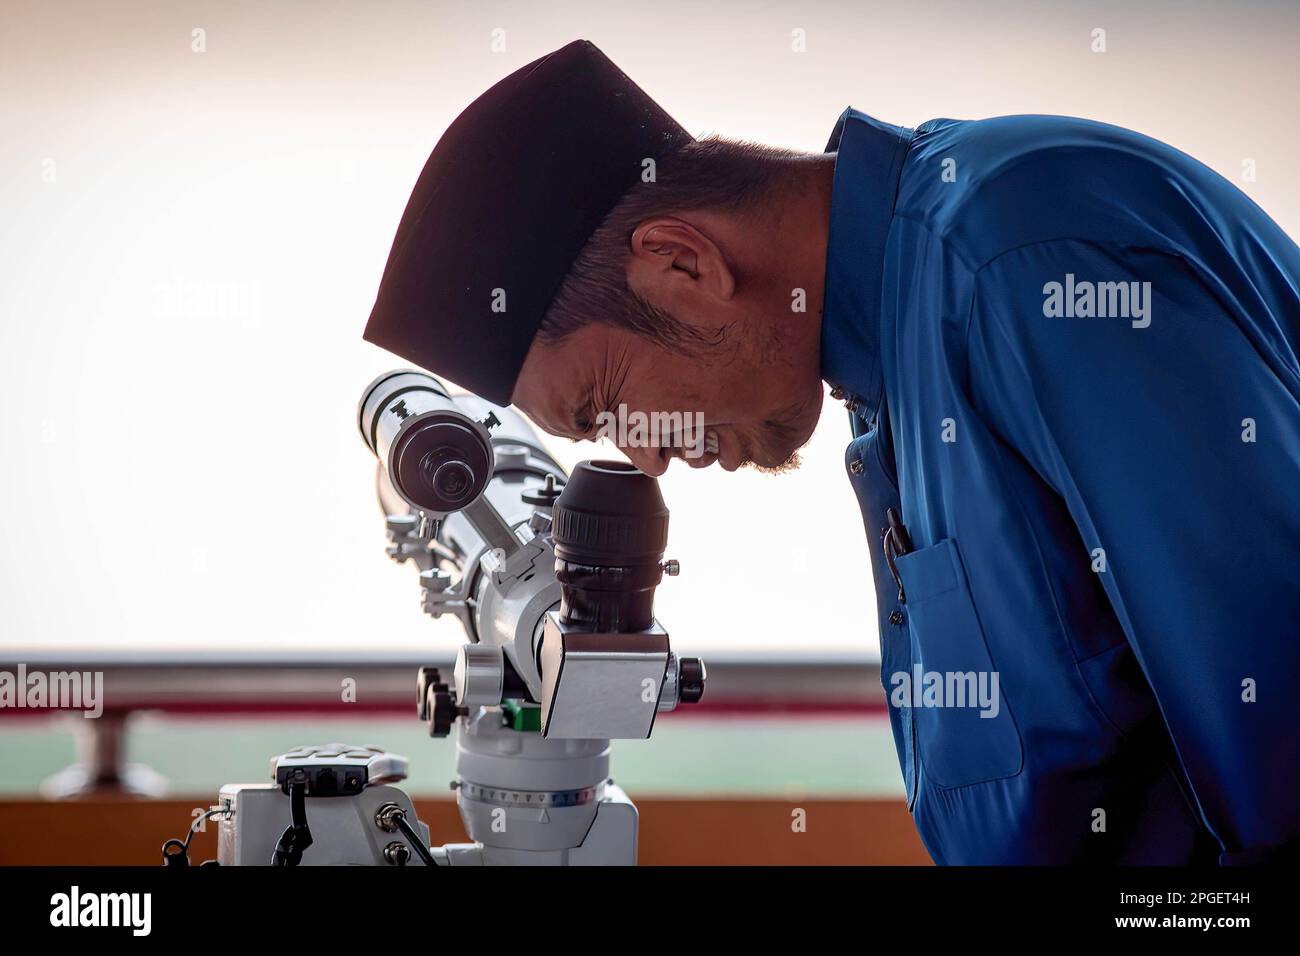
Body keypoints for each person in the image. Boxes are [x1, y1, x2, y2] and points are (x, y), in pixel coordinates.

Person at [364, 40, 1300, 864]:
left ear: (682, 266)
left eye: (609, 404)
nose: (641, 460)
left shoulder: (1018, 258)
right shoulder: (891, 358)